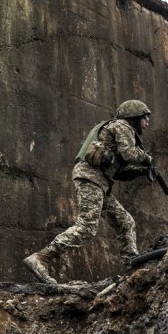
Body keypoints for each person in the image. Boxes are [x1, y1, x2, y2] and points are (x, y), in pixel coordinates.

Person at [23, 99, 153, 284]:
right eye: (145, 117)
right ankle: (41, 258)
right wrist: (147, 159)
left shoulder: (119, 129)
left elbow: (118, 172)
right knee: (87, 227)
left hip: (100, 182)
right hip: (90, 178)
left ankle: (131, 267)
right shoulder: (123, 126)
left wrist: (141, 171)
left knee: (125, 222)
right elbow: (129, 154)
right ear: (134, 117)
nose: (147, 122)